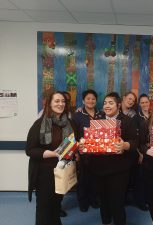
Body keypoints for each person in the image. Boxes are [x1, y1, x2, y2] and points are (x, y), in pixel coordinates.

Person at [25, 91, 77, 225]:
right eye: (57, 101)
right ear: (50, 103)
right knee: (44, 207)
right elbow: (30, 150)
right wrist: (53, 153)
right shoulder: (40, 124)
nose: (61, 104)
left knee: (56, 205)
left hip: (62, 171)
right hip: (44, 174)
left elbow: (73, 143)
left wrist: (76, 149)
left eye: (63, 101)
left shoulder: (70, 123)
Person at [88, 92, 138, 225]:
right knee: (103, 200)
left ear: (118, 105)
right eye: (105, 103)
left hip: (119, 170)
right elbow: (92, 141)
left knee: (117, 201)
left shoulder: (127, 121)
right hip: (99, 168)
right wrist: (85, 143)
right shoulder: (97, 120)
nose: (107, 106)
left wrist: (124, 145)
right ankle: (105, 221)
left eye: (110, 103)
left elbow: (135, 142)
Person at [72, 89, 104, 212]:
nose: (91, 101)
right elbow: (73, 135)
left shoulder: (101, 114)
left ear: (96, 101)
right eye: (88, 99)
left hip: (98, 153)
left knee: (96, 178)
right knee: (83, 179)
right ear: (83, 101)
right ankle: (83, 201)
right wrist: (76, 152)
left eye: (93, 99)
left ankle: (93, 199)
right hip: (83, 153)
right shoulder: (77, 115)